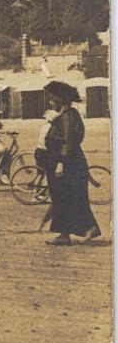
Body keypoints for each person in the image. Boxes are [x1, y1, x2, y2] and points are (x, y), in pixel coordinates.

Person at [43, 81, 100, 245]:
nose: (50, 101)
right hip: (64, 161)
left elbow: (69, 141)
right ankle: (68, 233)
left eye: (52, 98)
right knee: (65, 198)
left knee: (67, 197)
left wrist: (61, 162)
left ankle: (75, 231)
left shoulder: (68, 116)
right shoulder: (66, 115)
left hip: (67, 162)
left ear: (60, 98)